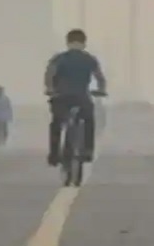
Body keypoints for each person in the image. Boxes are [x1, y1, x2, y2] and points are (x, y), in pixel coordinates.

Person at [44, 28, 107, 166]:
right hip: (82, 97)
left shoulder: (59, 58)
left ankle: (54, 154)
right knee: (89, 121)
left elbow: (50, 74)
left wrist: (50, 89)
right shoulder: (89, 59)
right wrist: (101, 90)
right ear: (84, 43)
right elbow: (100, 78)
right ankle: (87, 150)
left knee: (56, 123)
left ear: (67, 43)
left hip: (61, 97)